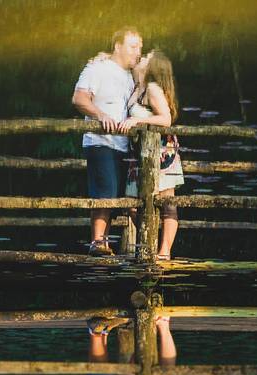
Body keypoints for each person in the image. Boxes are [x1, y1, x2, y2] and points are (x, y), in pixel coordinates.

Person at [72, 28, 142, 257]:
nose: (138, 52)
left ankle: (128, 245)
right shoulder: (97, 68)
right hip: (101, 141)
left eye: (140, 47)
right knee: (106, 191)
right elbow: (79, 98)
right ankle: (97, 242)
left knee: (128, 196)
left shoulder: (132, 75)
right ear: (118, 46)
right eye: (133, 46)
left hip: (124, 145)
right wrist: (100, 115)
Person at [119, 51, 183, 259]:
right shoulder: (139, 87)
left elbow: (165, 119)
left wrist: (138, 122)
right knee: (132, 203)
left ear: (153, 67)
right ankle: (151, 245)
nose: (141, 58)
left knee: (166, 201)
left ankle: (164, 252)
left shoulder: (153, 88)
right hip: (139, 154)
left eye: (146, 57)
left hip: (161, 151)